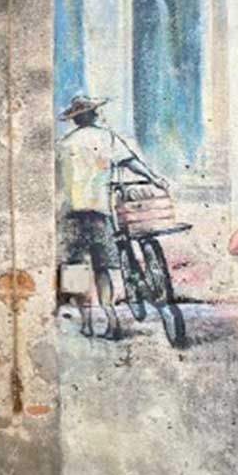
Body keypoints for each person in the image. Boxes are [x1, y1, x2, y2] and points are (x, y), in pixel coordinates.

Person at [56, 94, 168, 340]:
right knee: (101, 268)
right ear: (93, 115)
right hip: (100, 212)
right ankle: (111, 319)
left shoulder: (63, 144)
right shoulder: (106, 138)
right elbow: (130, 162)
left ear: (75, 120)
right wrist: (154, 178)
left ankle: (86, 323)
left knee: (76, 269)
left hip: (71, 214)